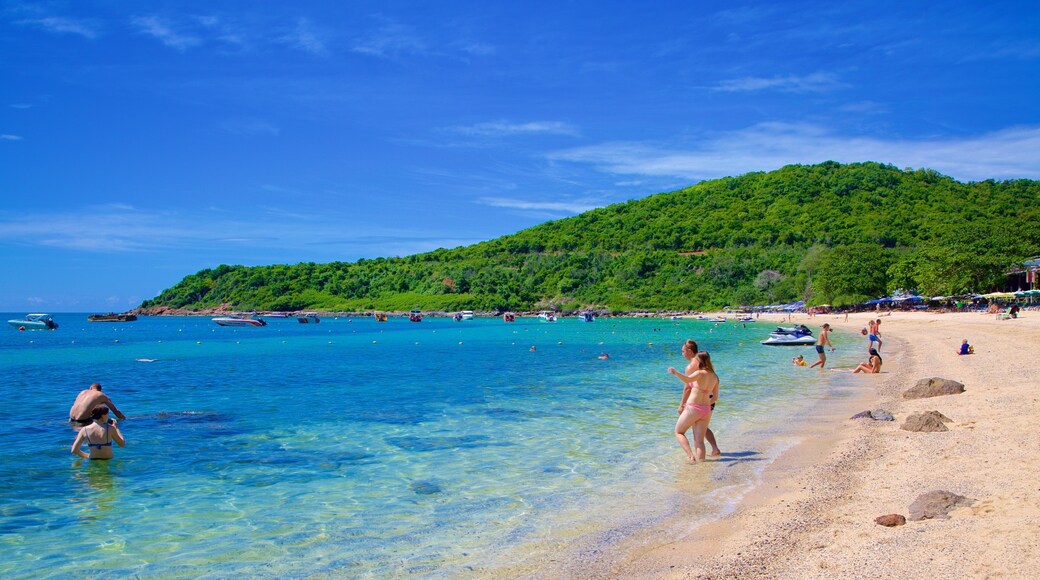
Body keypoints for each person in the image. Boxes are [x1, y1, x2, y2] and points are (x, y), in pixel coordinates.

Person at [669, 350, 720, 463]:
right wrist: (705, 403)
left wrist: (675, 373)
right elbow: (715, 397)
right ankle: (701, 464)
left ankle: (691, 455)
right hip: (706, 409)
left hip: (693, 408)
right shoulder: (715, 377)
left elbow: (687, 380)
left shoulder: (700, 373)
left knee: (679, 432)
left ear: (699, 361)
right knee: (699, 441)